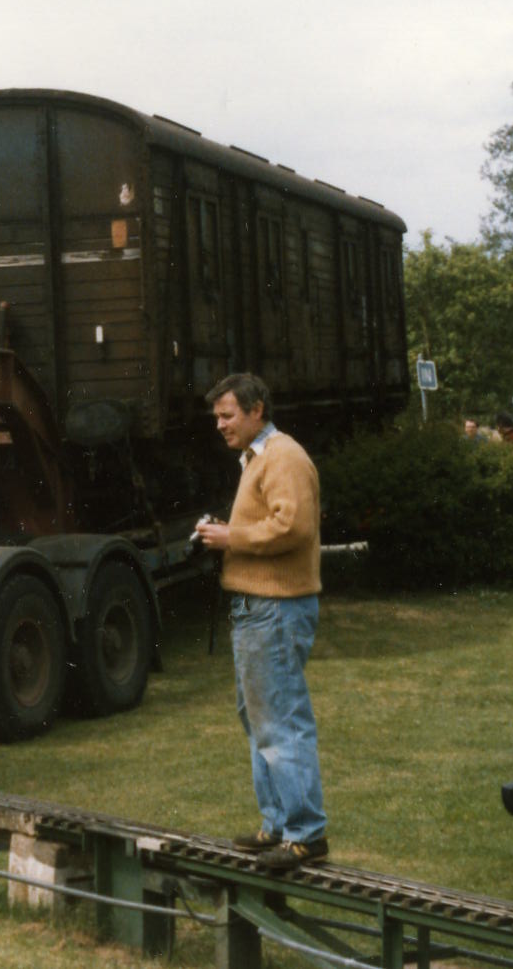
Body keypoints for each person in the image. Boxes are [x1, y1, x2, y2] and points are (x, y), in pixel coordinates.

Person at [195, 373, 327, 872]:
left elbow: (293, 526)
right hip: (257, 607)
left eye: (228, 415)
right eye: (217, 418)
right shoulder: (257, 458)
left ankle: (305, 835)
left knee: (281, 721)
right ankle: (277, 825)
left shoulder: (284, 455)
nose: (221, 425)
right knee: (259, 719)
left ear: (257, 410)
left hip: (275, 607)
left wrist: (230, 538)